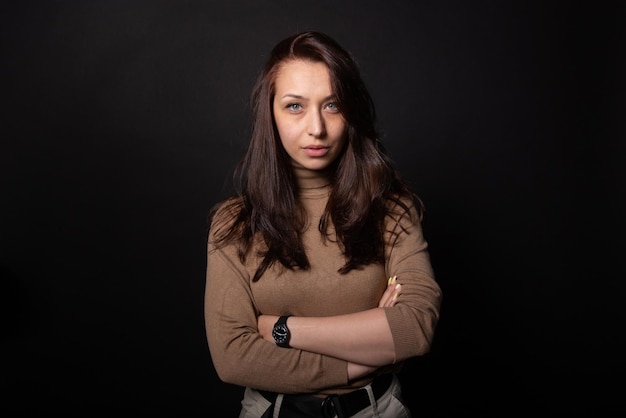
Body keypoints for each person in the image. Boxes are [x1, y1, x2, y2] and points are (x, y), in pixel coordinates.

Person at [204, 30, 442, 418]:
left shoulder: (392, 210)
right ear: (270, 113)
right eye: (295, 106)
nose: (316, 127)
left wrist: (280, 329)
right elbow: (232, 357)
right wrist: (359, 362)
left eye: (332, 105)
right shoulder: (234, 224)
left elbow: (414, 328)